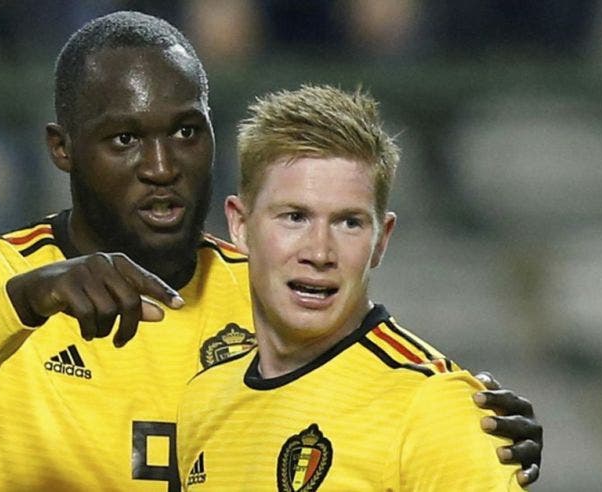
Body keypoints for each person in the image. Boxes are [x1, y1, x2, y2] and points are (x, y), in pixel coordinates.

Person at [0, 11, 541, 490]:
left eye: (185, 132)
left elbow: (399, 395)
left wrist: (473, 437)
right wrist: (23, 303)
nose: (161, 166)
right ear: (62, 149)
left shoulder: (276, 291)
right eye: (125, 140)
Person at [176, 85, 534, 490]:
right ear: (240, 225)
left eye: (349, 222)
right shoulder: (203, 399)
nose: (319, 251)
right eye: (295, 217)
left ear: (381, 239)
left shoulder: (434, 408)